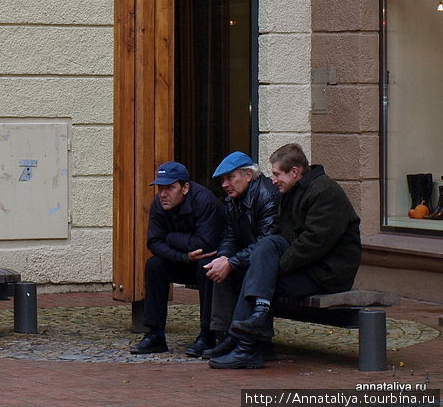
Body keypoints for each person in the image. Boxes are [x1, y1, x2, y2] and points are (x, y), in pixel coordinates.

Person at [209, 143, 361, 369]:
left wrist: (274, 267)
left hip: (328, 273)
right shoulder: (291, 192)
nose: (273, 180)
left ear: (295, 172)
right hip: (308, 266)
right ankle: (247, 340)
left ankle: (246, 346)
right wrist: (265, 266)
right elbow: (279, 235)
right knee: (266, 250)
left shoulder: (324, 191)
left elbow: (313, 244)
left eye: (277, 174)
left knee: (260, 275)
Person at [130, 161, 224, 356]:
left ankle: (208, 335)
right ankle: (155, 334)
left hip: (210, 261)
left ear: (185, 187)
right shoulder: (158, 203)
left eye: (170, 187)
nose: (163, 194)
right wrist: (182, 257)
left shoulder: (205, 201)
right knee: (154, 265)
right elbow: (154, 242)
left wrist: (171, 238)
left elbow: (205, 244)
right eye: (160, 188)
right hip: (184, 259)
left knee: (206, 266)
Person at [202, 151, 279, 360]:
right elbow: (229, 237)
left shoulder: (267, 195)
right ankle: (225, 335)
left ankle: (246, 339)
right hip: (250, 257)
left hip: (270, 261)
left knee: (236, 270)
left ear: (248, 175)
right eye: (222, 180)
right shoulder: (232, 201)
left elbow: (266, 241)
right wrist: (225, 258)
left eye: (230, 178)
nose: (225, 184)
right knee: (217, 268)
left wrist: (233, 262)